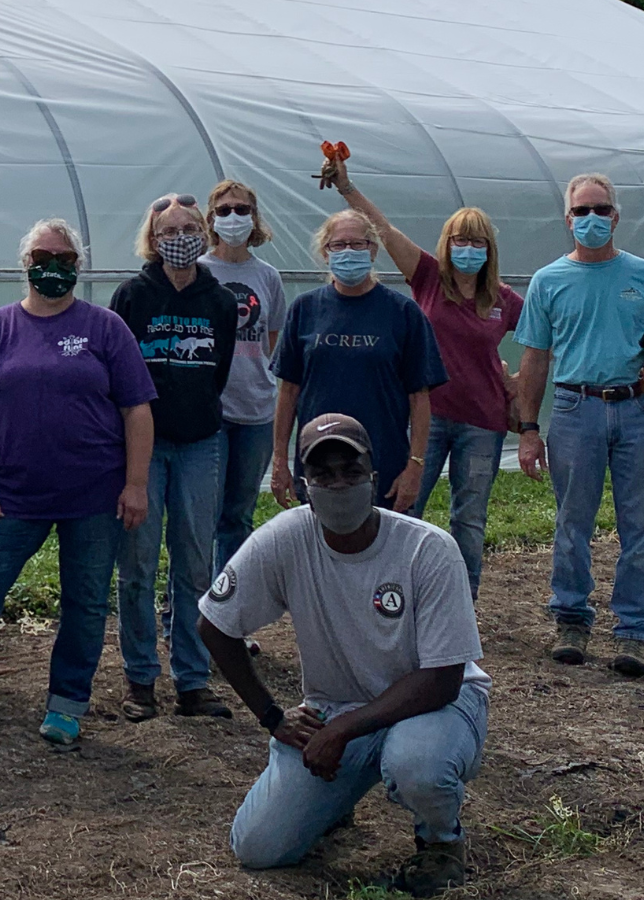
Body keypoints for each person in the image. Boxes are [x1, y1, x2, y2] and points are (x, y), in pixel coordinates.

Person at [202, 415, 491, 898]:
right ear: (304, 486)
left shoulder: (428, 548)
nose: (339, 484)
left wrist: (342, 730)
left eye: (351, 471)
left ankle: (441, 841)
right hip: (336, 708)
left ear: (374, 477)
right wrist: (272, 716)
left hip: (436, 707)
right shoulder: (285, 538)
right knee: (257, 847)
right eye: (324, 474)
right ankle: (335, 801)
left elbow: (442, 678)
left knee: (417, 765)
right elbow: (213, 626)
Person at [0, 218, 156, 748]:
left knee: (85, 600)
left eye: (65, 259)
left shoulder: (105, 327)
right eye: (43, 256)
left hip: (94, 493)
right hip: (12, 493)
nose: (53, 266)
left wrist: (136, 484)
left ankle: (67, 705)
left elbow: (137, 408)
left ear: (78, 267)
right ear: (25, 265)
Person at [324, 152, 525, 599]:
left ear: (489, 249)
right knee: (406, 506)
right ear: (446, 244)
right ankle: (400, 595)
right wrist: (346, 188)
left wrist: (517, 388)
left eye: (477, 243)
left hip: (483, 423)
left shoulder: (504, 299)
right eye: (459, 241)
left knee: (469, 519)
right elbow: (384, 231)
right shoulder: (429, 278)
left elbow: (541, 338)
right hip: (427, 418)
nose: (467, 250)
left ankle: (460, 602)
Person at [515, 173, 644, 677]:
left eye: (601, 209)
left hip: (640, 410)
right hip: (575, 408)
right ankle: (571, 618)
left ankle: (634, 631)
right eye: (581, 211)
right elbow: (535, 361)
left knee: (641, 524)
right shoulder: (549, 281)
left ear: (615, 216)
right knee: (573, 522)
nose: (591, 219)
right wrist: (528, 429)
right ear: (567, 219)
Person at [109, 194, 238, 721]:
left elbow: (219, 372)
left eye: (189, 227)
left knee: (193, 564)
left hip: (201, 443)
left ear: (203, 234)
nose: (179, 237)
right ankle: (140, 679)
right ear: (153, 238)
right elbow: (115, 375)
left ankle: (192, 680)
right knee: (137, 561)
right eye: (168, 230)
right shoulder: (133, 296)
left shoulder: (221, 301)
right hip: (145, 448)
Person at [271, 210, 447, 513]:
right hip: (318, 461)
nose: (348, 252)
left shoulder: (403, 313)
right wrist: (279, 459)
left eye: (358, 244)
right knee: (320, 549)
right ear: (326, 254)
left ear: (373, 250)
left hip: (383, 463)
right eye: (338, 245)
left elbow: (419, 398)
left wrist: (415, 466)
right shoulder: (305, 309)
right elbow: (288, 392)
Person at [199, 181, 287, 582]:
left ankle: (227, 612)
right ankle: (185, 615)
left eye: (241, 209)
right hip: (209, 412)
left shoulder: (267, 276)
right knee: (201, 515)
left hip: (255, 413)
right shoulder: (198, 271)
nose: (232, 217)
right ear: (211, 219)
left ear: (254, 218)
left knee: (237, 516)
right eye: (224, 209)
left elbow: (269, 339)